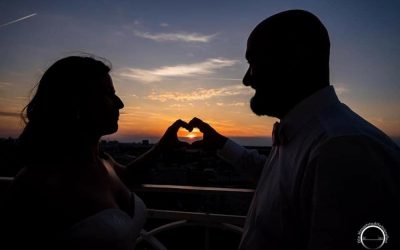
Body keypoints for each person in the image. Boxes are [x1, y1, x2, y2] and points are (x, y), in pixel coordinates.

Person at [189, 9, 400, 250]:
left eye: (253, 62)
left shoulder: (343, 148)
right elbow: (280, 185)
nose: (246, 79)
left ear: (294, 59)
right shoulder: (308, 138)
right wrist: (220, 144)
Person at [0, 55, 191, 250]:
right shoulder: (38, 182)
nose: (120, 104)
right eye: (108, 94)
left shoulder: (103, 161)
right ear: (74, 102)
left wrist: (161, 148)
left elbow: (128, 177)